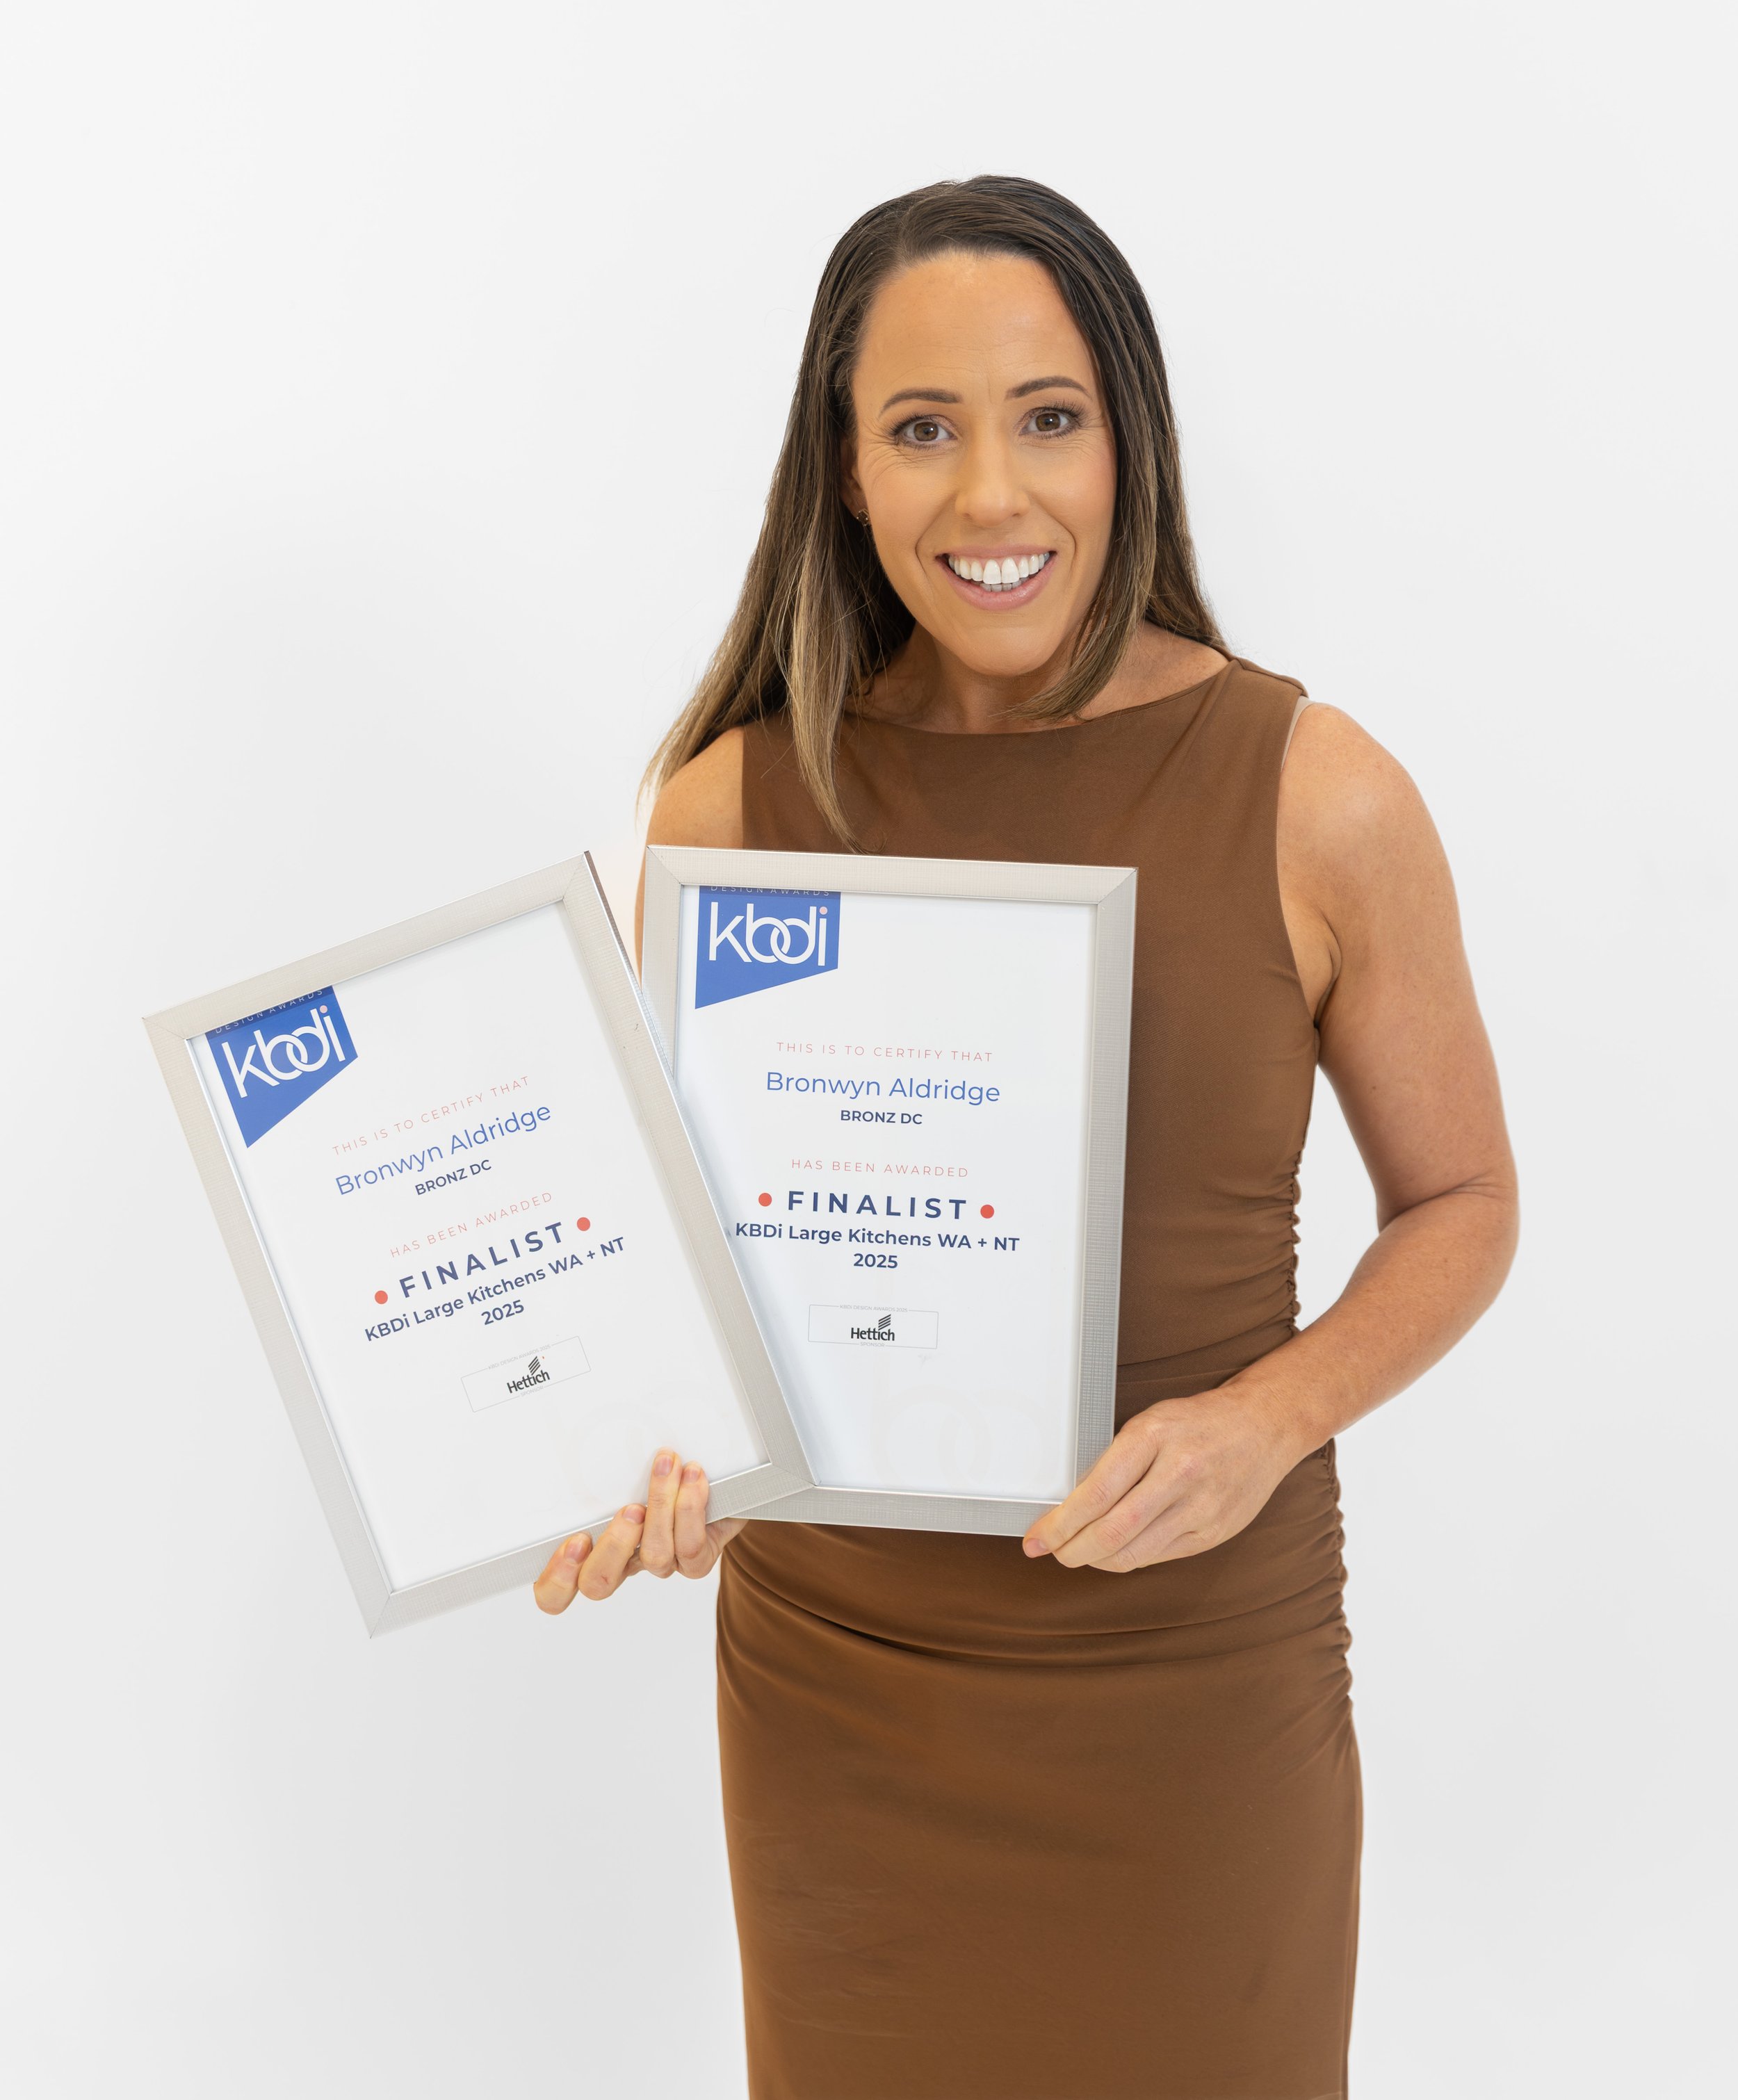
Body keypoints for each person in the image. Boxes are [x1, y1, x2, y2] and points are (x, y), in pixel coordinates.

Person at [533, 175, 1518, 2100]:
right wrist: (653, 1461)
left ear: (1126, 440)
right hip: (840, 1696)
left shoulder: (1315, 792)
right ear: (840, 473)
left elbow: (1464, 1203)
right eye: (921, 429)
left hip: (1190, 1687)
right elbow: (696, 1271)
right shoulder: (732, 805)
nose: (991, 497)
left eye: (1045, 417)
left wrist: (1267, 1418)